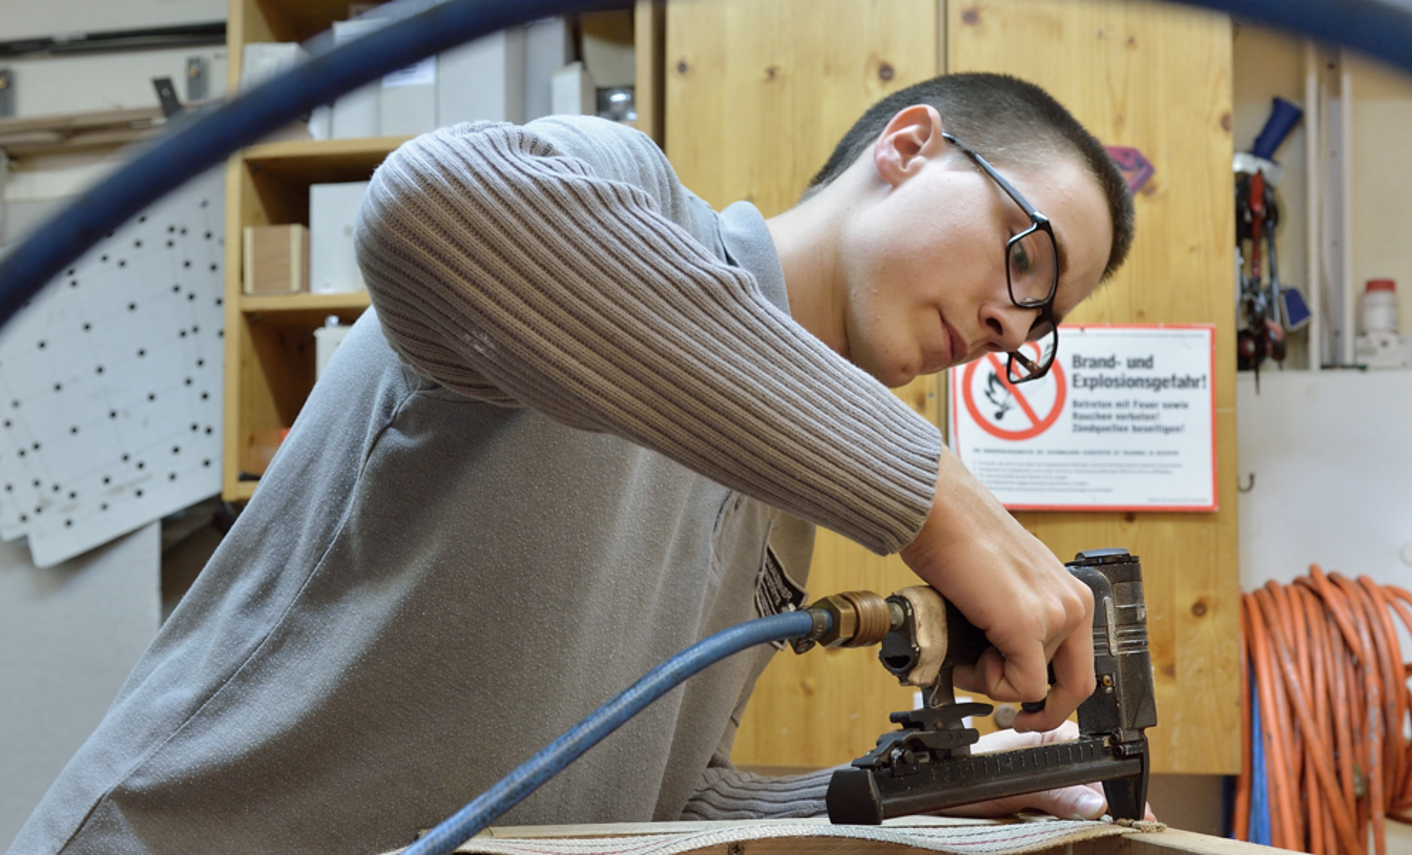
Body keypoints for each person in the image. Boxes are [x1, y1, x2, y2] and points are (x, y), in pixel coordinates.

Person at [10, 71, 1134, 855]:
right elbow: (432, 204)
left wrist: (920, 801)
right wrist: (937, 499)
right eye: (1027, 257)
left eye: (1042, 328)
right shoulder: (623, 198)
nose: (1010, 327)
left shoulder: (787, 516)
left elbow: (649, 794)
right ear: (909, 145)